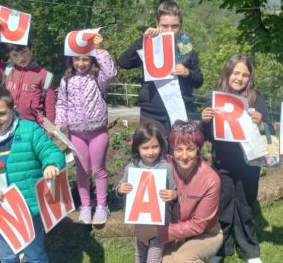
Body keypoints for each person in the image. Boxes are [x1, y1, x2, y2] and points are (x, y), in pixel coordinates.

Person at [0, 86, 65, 263]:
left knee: (35, 255)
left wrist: (51, 164)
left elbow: (52, 152)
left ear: (13, 109)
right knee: (7, 256)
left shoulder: (30, 130)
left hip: (28, 207)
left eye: (1, 114)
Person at [200, 55, 269, 263]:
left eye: (245, 75)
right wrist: (204, 122)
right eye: (236, 73)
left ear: (250, 78)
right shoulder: (214, 99)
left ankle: (250, 250)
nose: (240, 78)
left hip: (249, 163)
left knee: (246, 206)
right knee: (223, 205)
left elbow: (269, 131)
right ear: (228, 73)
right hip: (223, 163)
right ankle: (220, 248)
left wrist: (260, 123)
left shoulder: (256, 99)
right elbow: (208, 136)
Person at [54, 34, 117, 224]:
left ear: (92, 60)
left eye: (85, 59)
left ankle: (102, 206)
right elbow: (61, 104)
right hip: (76, 134)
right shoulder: (66, 80)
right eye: (77, 59)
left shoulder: (98, 77)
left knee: (98, 170)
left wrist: (101, 50)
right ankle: (86, 206)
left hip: (98, 132)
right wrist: (59, 122)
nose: (81, 63)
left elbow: (112, 73)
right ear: (71, 60)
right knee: (82, 171)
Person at [118, 0, 203, 136]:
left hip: (180, 114)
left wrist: (187, 73)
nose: (170, 30)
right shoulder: (150, 43)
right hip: (152, 115)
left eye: (174, 26)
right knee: (153, 156)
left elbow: (199, 81)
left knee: (180, 157)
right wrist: (144, 39)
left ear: (181, 25)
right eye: (165, 26)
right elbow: (124, 62)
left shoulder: (185, 47)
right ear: (157, 23)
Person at [158, 120, 223, 263]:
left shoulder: (211, 179)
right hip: (176, 231)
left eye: (190, 149)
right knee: (162, 260)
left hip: (206, 234)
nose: (185, 156)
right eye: (179, 149)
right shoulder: (164, 168)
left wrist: (161, 233)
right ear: (172, 151)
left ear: (198, 150)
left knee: (183, 259)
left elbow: (198, 225)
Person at [115, 122, 177, 263]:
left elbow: (175, 191)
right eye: (145, 148)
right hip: (140, 223)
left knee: (153, 258)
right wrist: (120, 189)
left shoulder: (166, 168)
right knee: (140, 255)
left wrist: (172, 195)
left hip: (159, 225)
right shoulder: (131, 168)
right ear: (137, 147)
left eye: (155, 146)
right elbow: (119, 188)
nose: (150, 152)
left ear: (161, 146)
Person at [0, 21, 56, 122]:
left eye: (24, 52)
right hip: (8, 125)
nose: (21, 58)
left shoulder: (44, 76)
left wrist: (50, 134)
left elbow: (50, 109)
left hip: (33, 128)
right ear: (9, 56)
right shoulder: (7, 70)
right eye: (15, 55)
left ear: (31, 49)